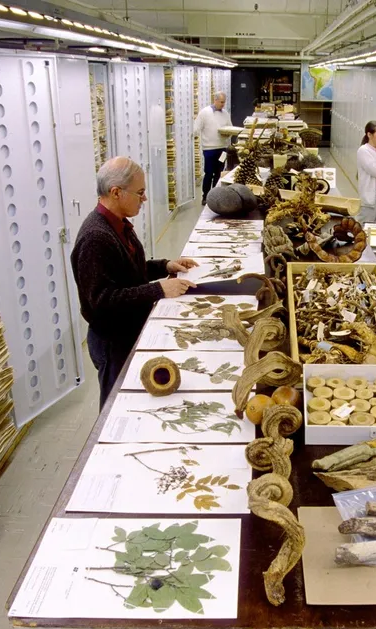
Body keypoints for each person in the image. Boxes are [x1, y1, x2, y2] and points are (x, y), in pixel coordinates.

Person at [71, 157, 198, 409]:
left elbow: (127, 271)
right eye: (140, 193)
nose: (145, 199)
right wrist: (159, 289)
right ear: (116, 192)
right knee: (115, 405)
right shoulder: (96, 238)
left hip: (127, 330)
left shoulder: (116, 225)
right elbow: (103, 301)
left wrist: (164, 266)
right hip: (113, 341)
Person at [194, 92, 232, 205]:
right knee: (209, 173)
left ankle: (215, 196)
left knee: (219, 172)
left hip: (222, 149)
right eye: (221, 102)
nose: (223, 104)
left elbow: (230, 126)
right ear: (215, 100)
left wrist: (228, 133)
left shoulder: (225, 113)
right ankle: (205, 196)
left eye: (224, 102)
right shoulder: (205, 113)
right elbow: (196, 129)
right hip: (209, 149)